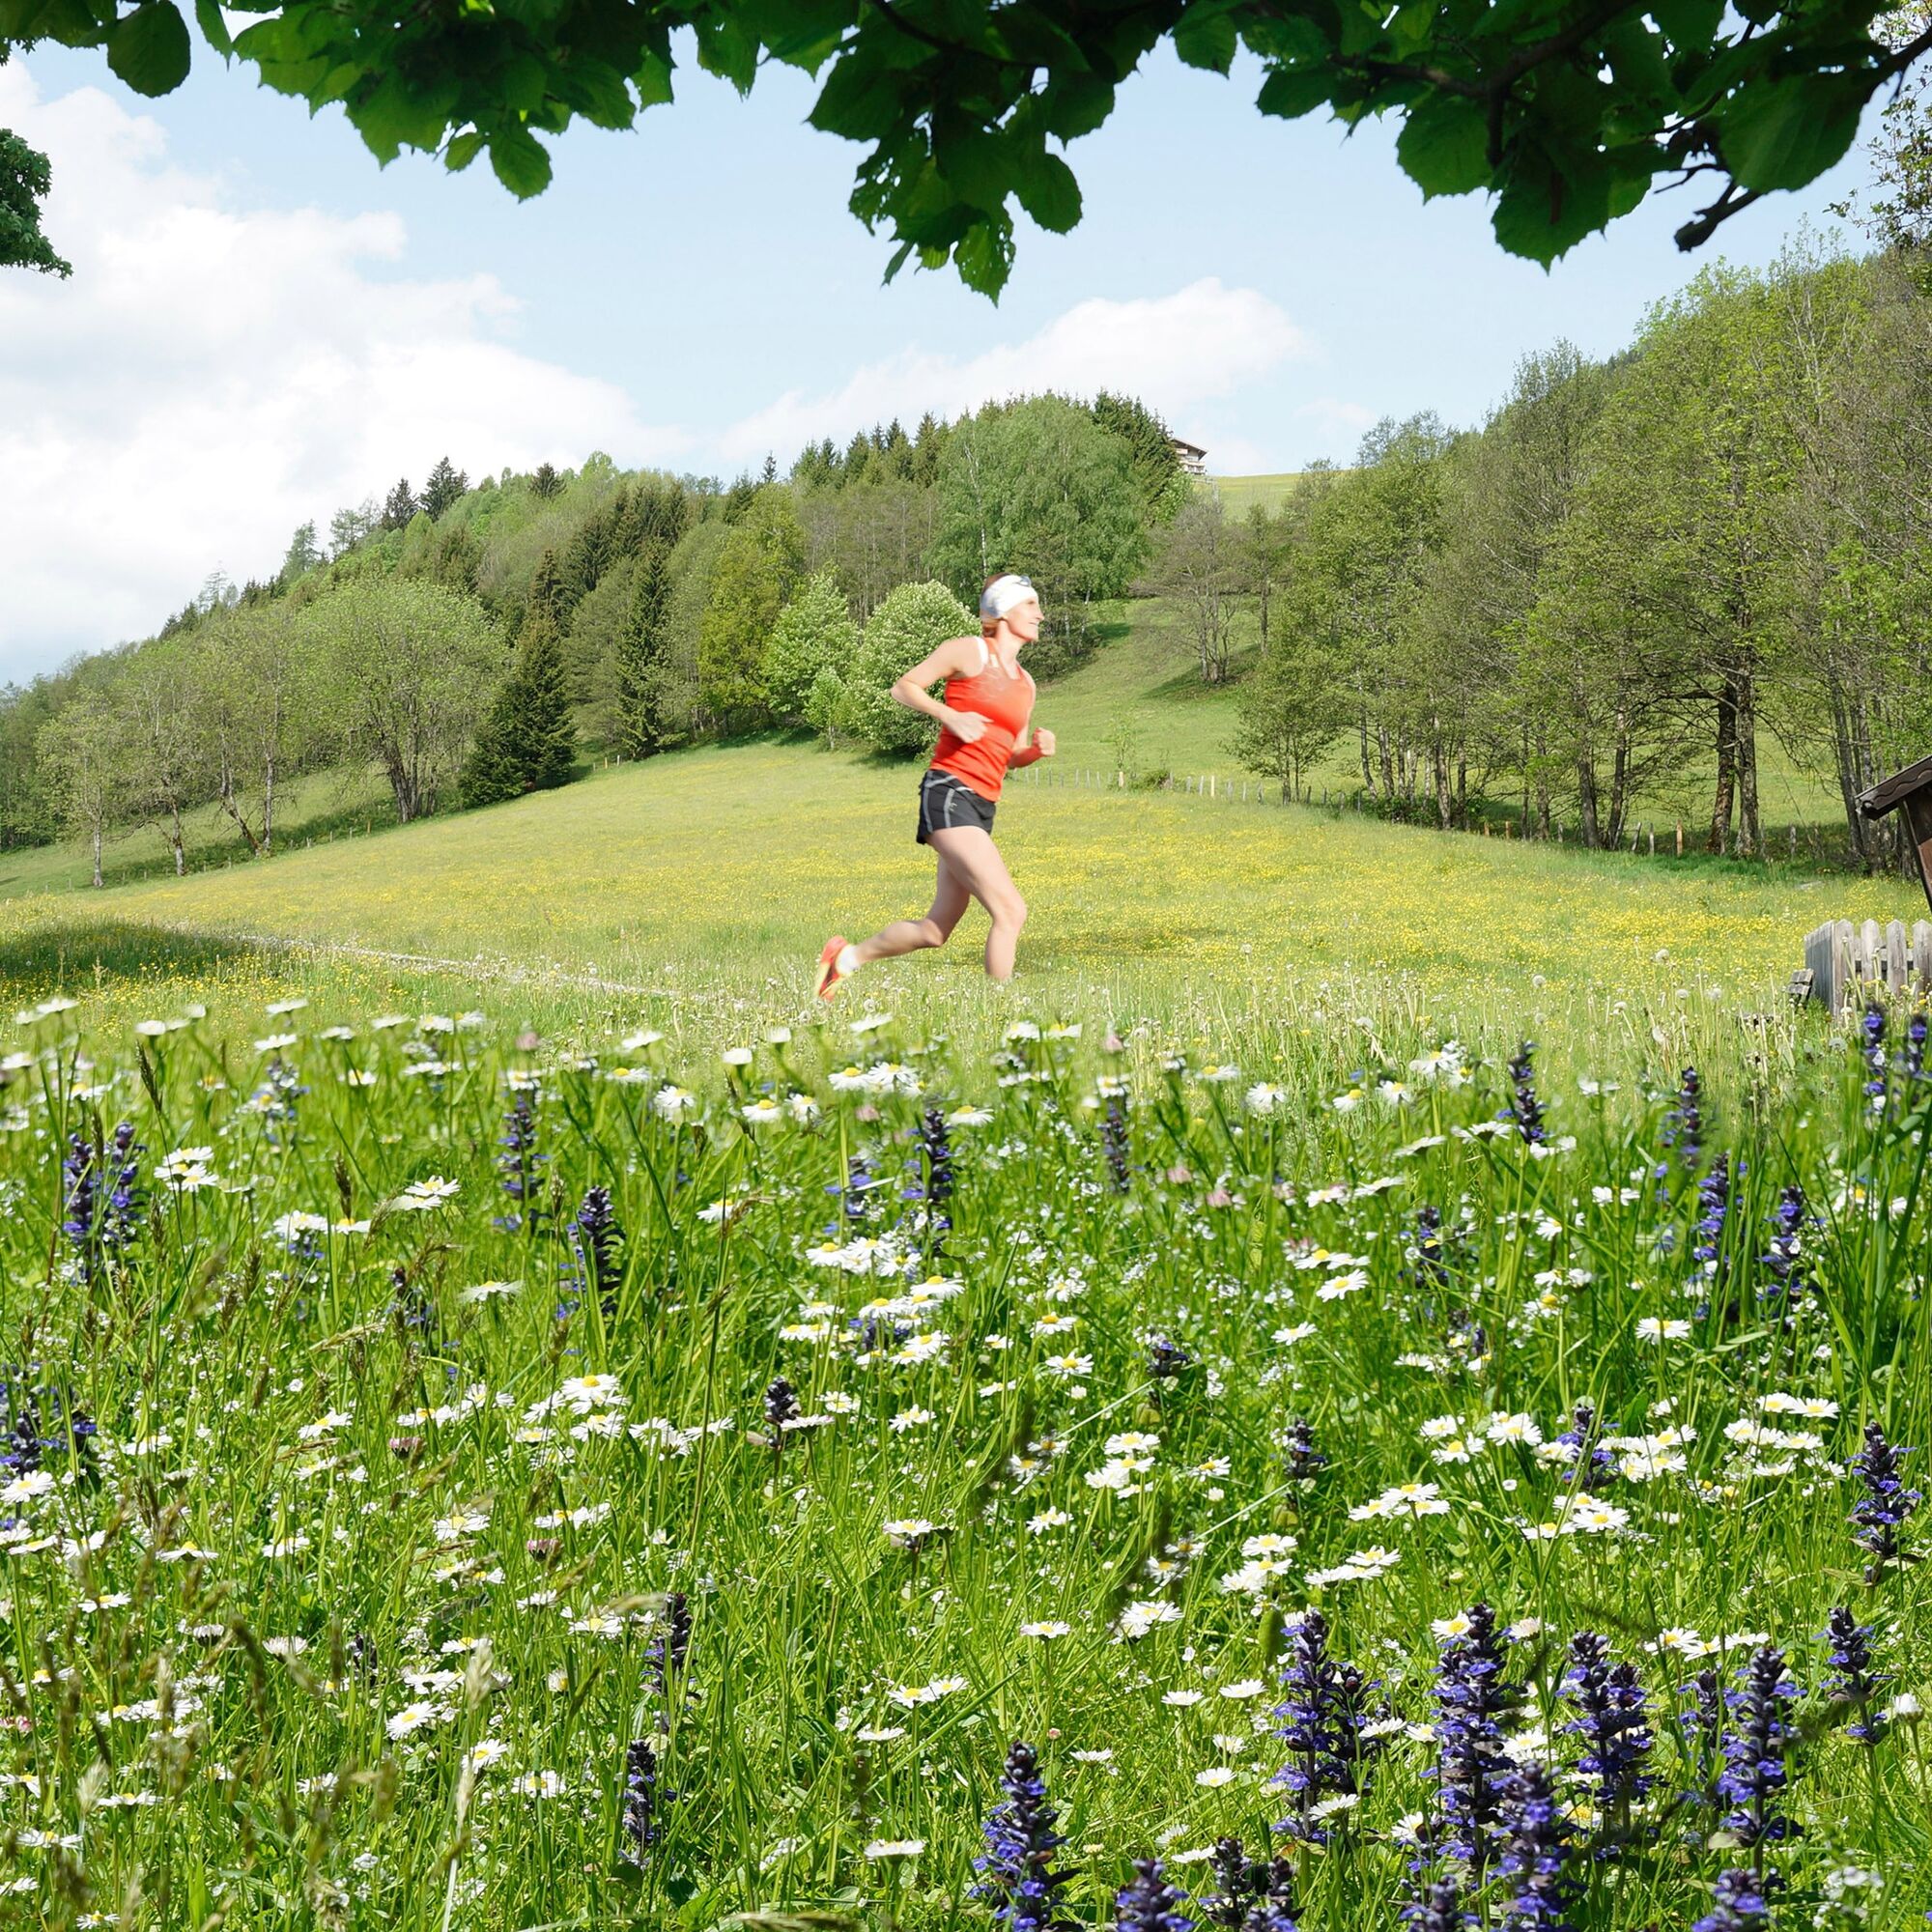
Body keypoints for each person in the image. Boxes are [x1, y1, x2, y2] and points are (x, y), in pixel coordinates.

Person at [815, 572, 1056, 996]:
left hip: (982, 806)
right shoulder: (969, 651)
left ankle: (843, 960)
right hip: (948, 792)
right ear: (1003, 611)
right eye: (1031, 604)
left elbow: (1011, 753)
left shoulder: (1026, 683)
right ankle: (1002, 1010)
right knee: (1011, 911)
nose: (1040, 614)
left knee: (935, 930)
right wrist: (949, 715)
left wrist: (1034, 751)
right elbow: (903, 687)